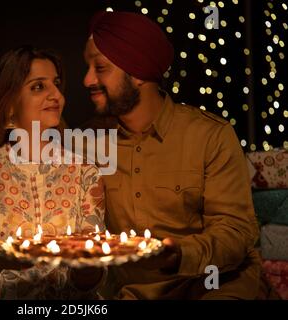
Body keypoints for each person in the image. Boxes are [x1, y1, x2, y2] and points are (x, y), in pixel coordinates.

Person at [83, 11, 263, 299]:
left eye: (100, 68)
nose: (87, 79)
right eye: (88, 67)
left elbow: (237, 230)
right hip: (134, 291)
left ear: (138, 74)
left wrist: (181, 255)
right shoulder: (88, 146)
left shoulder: (210, 136)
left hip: (213, 285)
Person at [0, 46, 106, 299]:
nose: (57, 95)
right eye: (38, 87)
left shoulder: (85, 172)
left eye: (56, 84)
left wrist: (87, 265)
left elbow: (92, 280)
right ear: (9, 104)